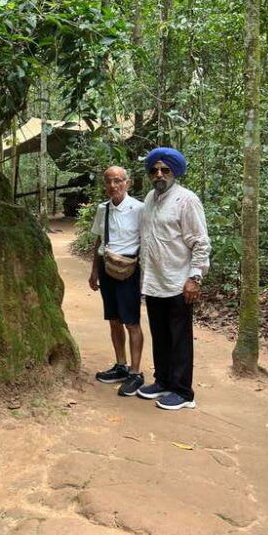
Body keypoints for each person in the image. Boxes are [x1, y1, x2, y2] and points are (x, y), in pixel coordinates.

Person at [137, 147, 211, 411]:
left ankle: (183, 392)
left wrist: (195, 278)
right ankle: (163, 381)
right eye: (154, 170)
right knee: (160, 335)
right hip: (154, 281)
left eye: (165, 170)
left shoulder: (186, 200)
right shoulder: (149, 198)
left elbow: (201, 242)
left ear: (174, 172)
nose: (159, 174)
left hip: (179, 282)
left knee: (179, 338)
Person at [89, 166, 145, 396]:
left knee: (131, 321)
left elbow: (148, 241)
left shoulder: (140, 209)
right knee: (113, 319)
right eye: (109, 182)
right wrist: (94, 271)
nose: (113, 185)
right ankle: (120, 365)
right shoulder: (103, 209)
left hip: (129, 269)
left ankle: (135, 372)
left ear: (127, 182)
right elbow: (99, 241)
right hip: (106, 267)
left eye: (118, 181)